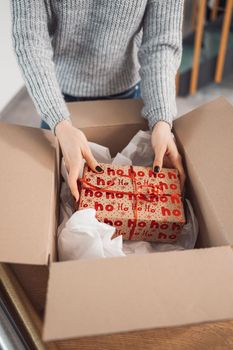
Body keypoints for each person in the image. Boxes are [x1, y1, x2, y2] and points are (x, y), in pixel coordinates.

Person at [11, 0, 185, 202]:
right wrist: (59, 121)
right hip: (58, 99)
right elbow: (30, 42)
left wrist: (162, 120)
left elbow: (161, 43)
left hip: (126, 95)